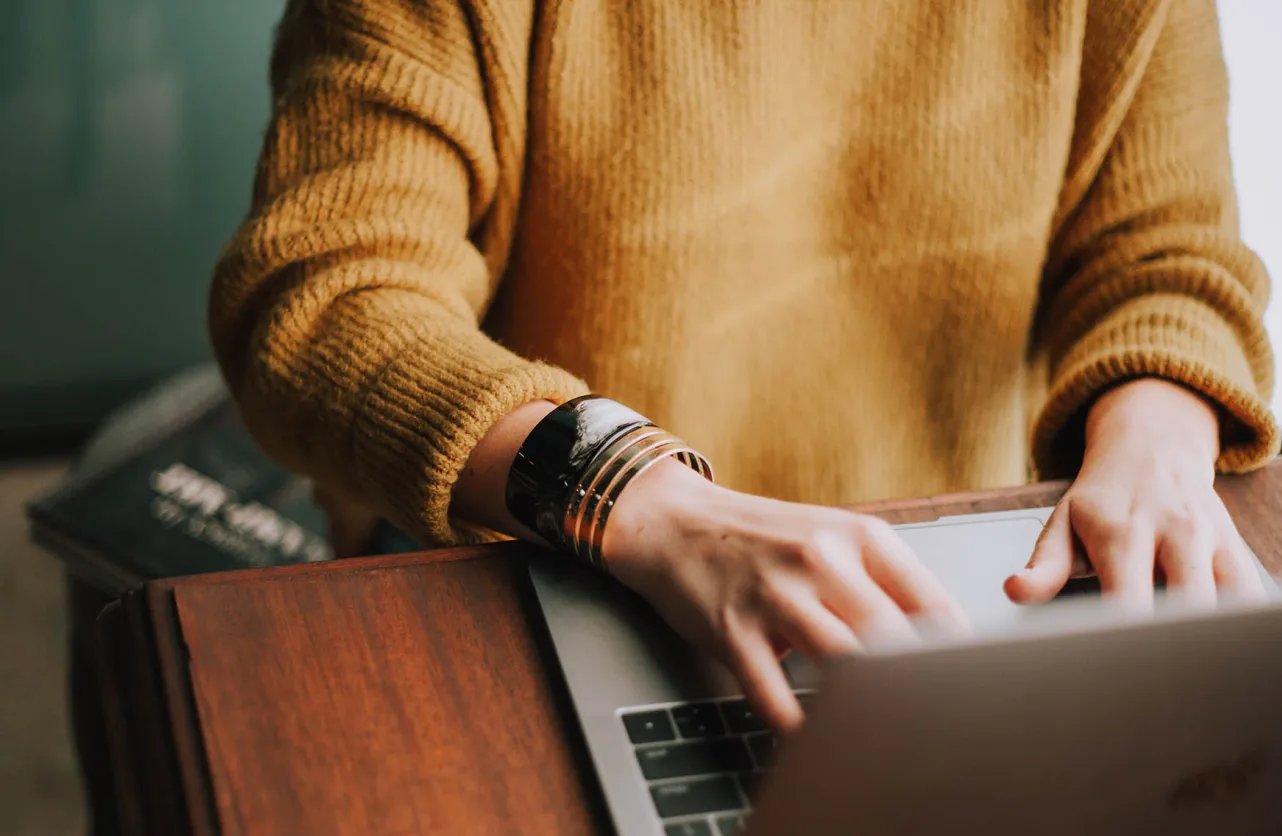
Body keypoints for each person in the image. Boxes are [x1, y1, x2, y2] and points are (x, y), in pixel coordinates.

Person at [209, 0, 1276, 735]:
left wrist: (1158, 428)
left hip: (946, 595)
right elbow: (323, 297)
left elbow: (1166, 253)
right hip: (546, 561)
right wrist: (634, 496)